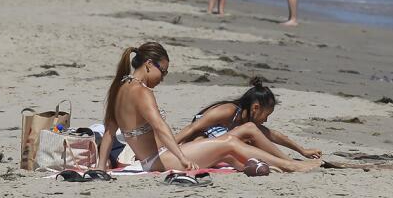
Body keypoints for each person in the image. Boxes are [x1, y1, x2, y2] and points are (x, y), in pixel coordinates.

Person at [94, 42, 319, 174]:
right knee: (229, 142)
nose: (163, 77)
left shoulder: (119, 87)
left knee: (229, 152)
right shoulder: (142, 91)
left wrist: (101, 166)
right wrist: (181, 158)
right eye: (163, 71)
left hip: (150, 158)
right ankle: (291, 166)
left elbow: (109, 132)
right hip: (159, 159)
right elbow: (160, 127)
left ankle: (261, 166)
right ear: (149, 65)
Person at [175, 78, 322, 162]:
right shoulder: (228, 111)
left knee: (252, 141)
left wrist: (302, 151)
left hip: (213, 146)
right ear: (256, 107)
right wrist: (168, 147)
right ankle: (288, 163)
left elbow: (274, 135)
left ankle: (286, 162)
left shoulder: (244, 121)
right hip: (198, 141)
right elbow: (192, 128)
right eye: (266, 115)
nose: (265, 120)